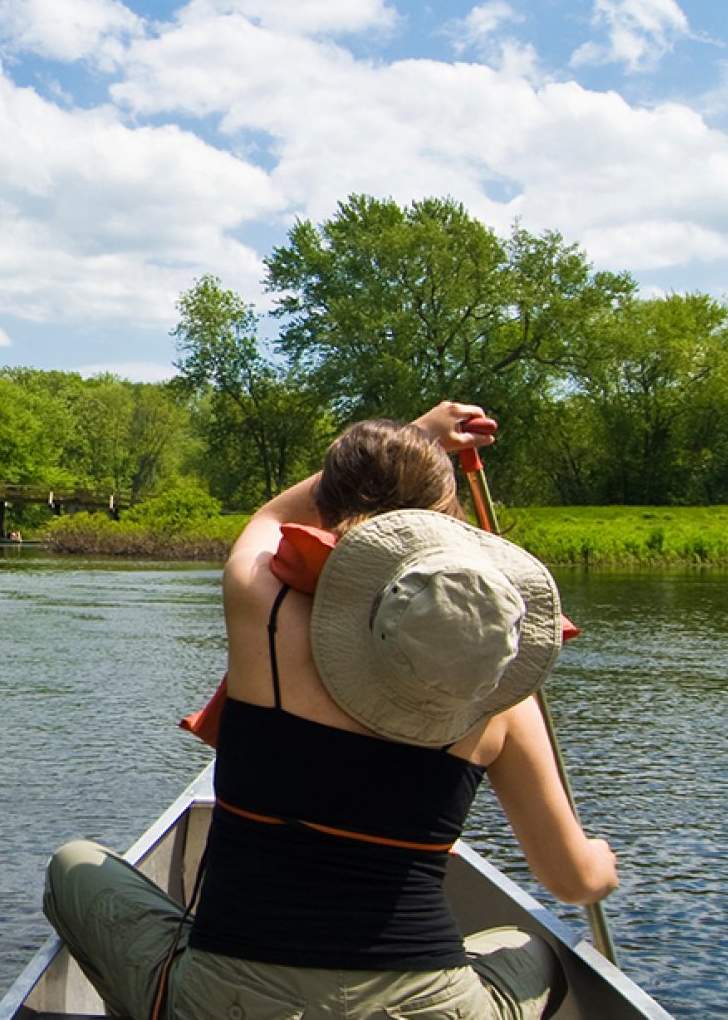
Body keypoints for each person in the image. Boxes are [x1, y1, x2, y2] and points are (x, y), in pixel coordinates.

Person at [42, 401, 618, 1020]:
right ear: (449, 521)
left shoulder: (264, 610)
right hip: (427, 1006)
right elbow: (572, 882)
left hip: (231, 1001)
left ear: (337, 512)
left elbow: (273, 516)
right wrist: (600, 863)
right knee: (530, 947)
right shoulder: (501, 689)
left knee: (73, 865)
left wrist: (416, 438)